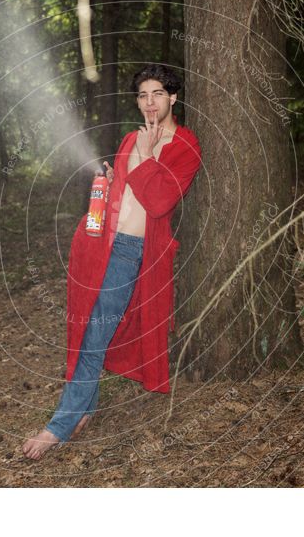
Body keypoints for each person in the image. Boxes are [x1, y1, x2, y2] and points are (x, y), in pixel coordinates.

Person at [22, 64, 202, 460]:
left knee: (94, 334)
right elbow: (125, 187)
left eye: (157, 94)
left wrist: (148, 155)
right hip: (99, 243)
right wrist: (112, 176)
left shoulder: (185, 145)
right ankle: (84, 406)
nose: (149, 102)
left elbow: (159, 202)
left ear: (173, 98)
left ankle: (62, 424)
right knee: (84, 325)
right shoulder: (128, 139)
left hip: (131, 251)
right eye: (142, 95)